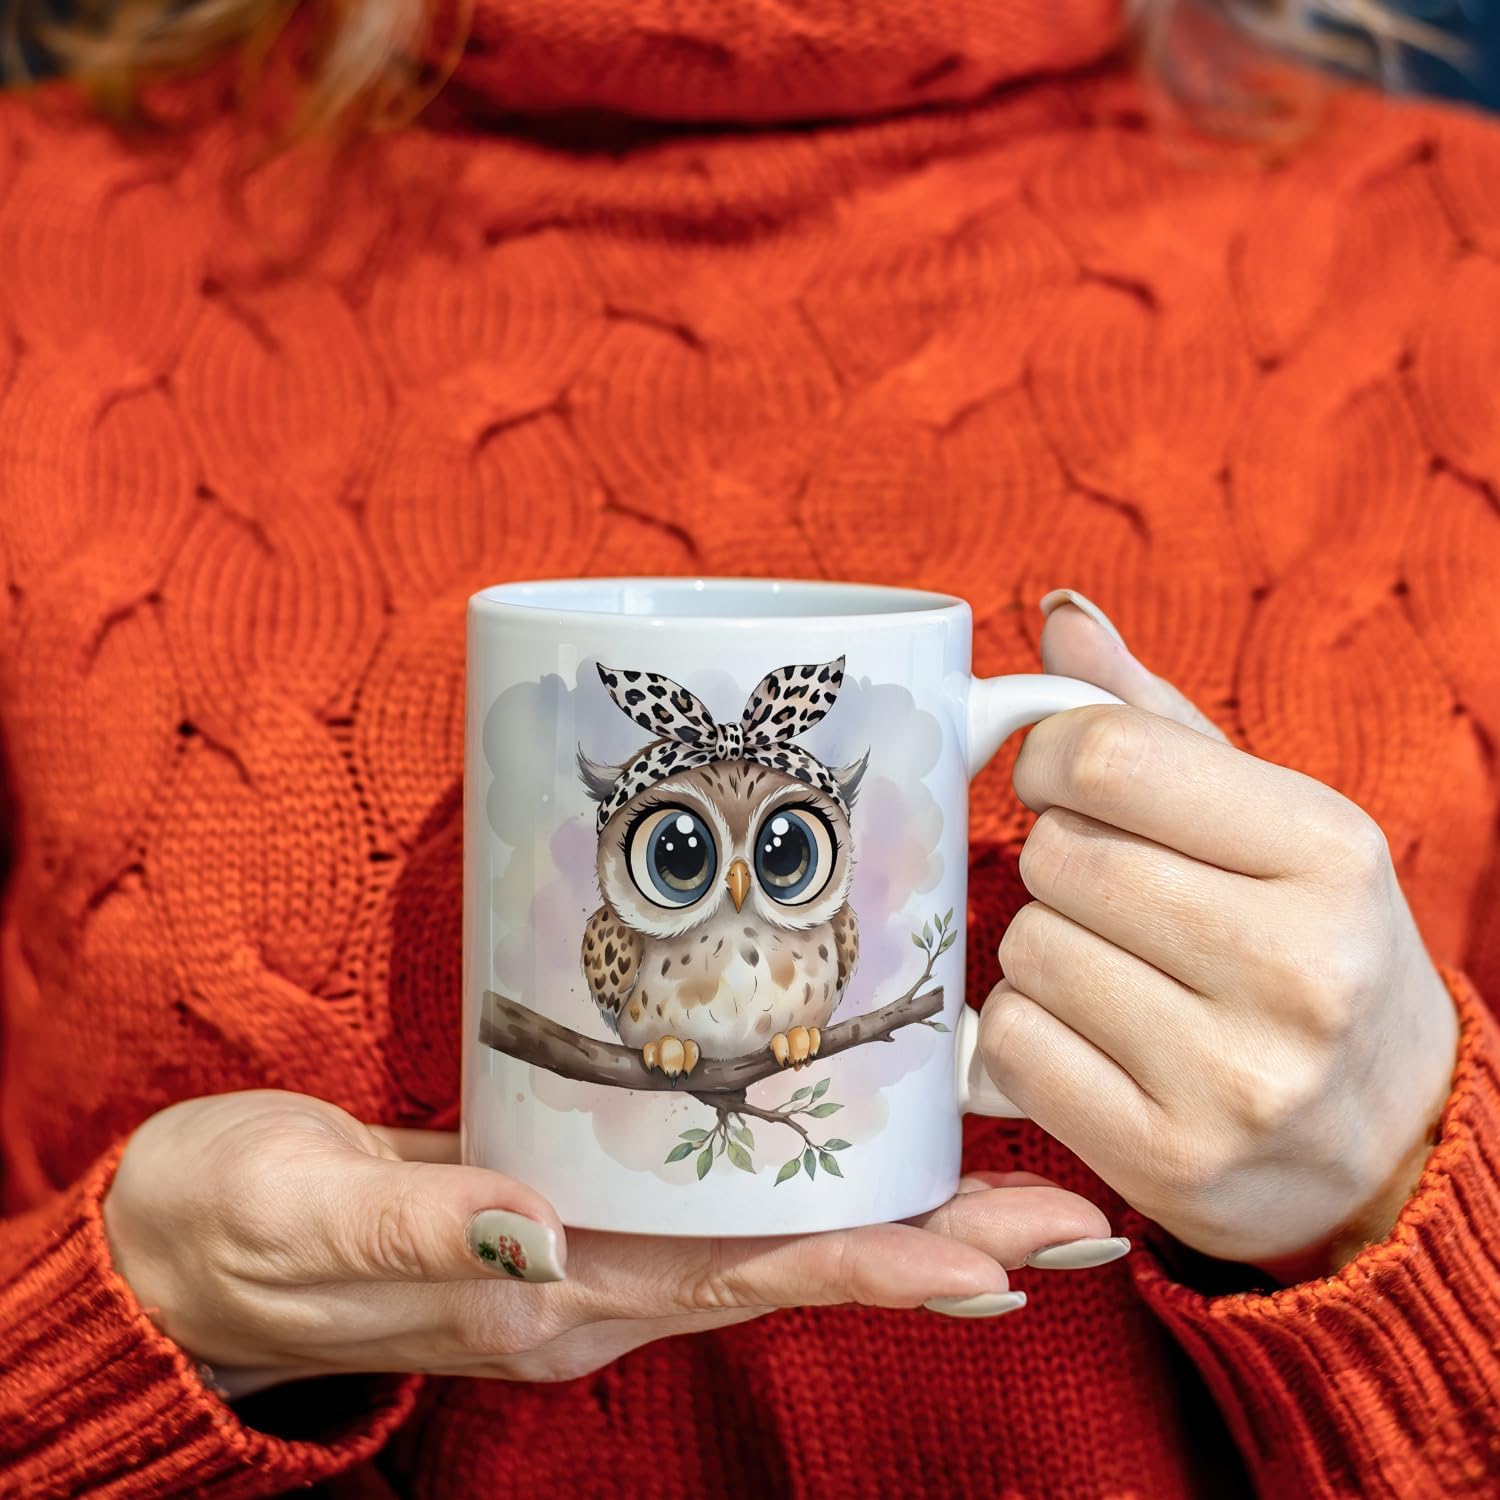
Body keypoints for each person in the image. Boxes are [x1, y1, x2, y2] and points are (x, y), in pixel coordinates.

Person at [0, 0, 1496, 1494]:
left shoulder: (1456, 257)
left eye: (780, 847)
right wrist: (128, 1323)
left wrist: (1396, 1193)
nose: (731, 885)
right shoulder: (42, 239)